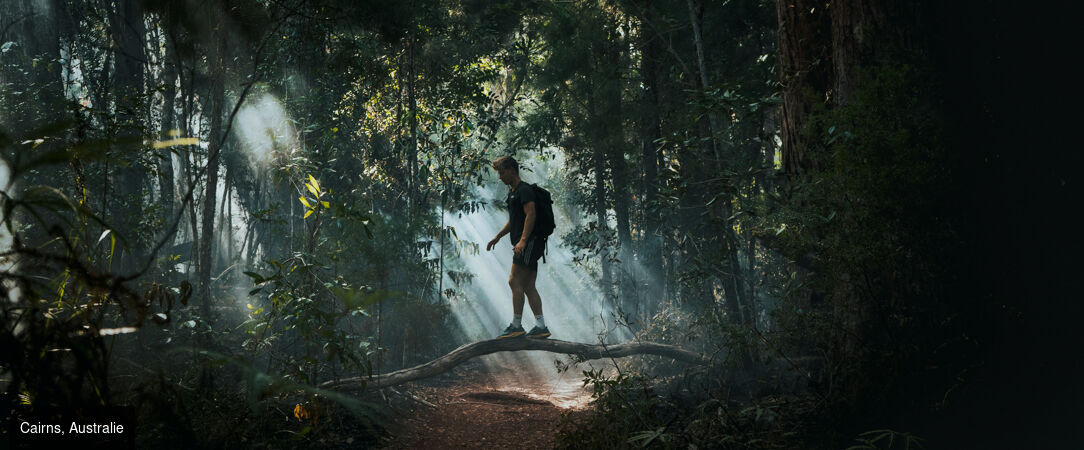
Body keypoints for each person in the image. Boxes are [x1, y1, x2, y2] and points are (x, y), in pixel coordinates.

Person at [486, 156, 551, 339]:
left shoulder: (524, 190)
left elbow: (531, 214)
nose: (500, 176)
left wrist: (522, 241)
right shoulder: (513, 192)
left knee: (513, 281)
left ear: (512, 171)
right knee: (528, 285)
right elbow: (513, 220)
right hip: (530, 242)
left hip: (530, 242)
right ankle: (541, 326)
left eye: (502, 172)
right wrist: (497, 237)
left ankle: (516, 326)